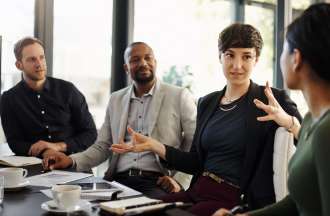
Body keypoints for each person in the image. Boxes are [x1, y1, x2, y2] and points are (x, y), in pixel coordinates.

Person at [111, 24, 302, 216]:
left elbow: (307, 138)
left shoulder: (271, 99)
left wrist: (288, 121)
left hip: (234, 199)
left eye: (246, 56)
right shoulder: (208, 102)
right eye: (229, 55)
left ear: (256, 59)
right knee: (137, 211)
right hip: (199, 190)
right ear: (220, 57)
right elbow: (195, 162)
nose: (237, 65)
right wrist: (154, 145)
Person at [213, 3, 330, 216]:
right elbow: (297, 203)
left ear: (296, 59)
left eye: (284, 47)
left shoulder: (326, 132)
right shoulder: (312, 121)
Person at [42, 42, 197, 198]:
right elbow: (103, 146)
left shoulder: (179, 96)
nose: (143, 63)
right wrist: (70, 160)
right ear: (126, 68)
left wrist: (179, 180)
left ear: (155, 63)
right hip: (118, 181)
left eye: (148, 58)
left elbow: (195, 143)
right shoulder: (116, 99)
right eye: (135, 60)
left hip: (158, 181)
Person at [0, 37, 97, 157]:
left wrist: (58, 147)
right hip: (33, 165)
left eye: (41, 57)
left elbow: (90, 133)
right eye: (32, 59)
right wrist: (46, 152)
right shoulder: (9, 99)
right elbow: (15, 142)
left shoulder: (68, 90)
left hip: (73, 162)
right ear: (19, 65)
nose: (39, 64)